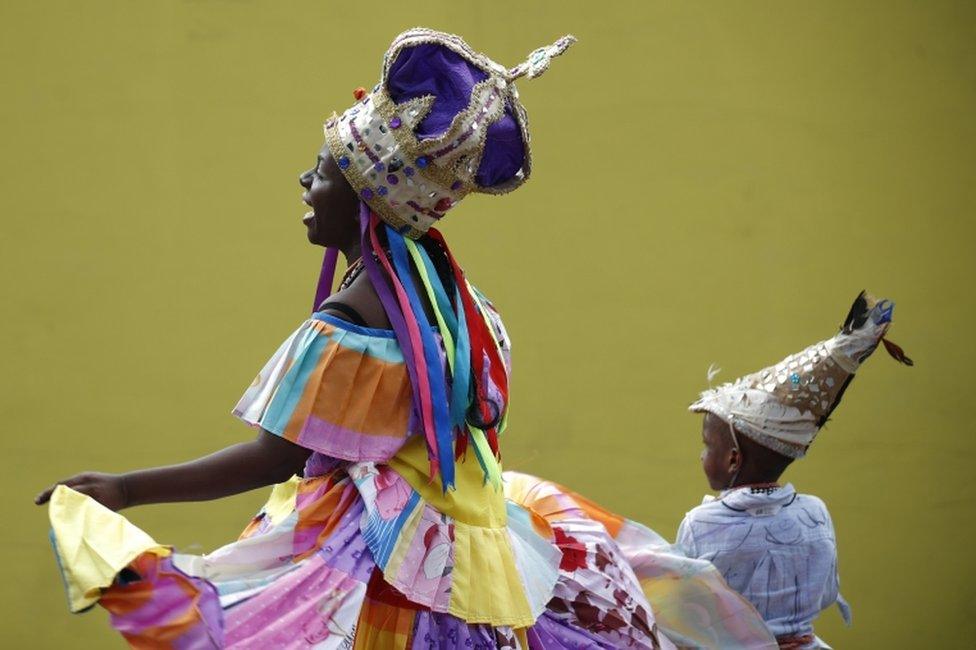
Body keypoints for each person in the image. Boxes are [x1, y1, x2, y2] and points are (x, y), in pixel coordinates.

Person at [35, 27, 693, 649]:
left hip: (382, 570)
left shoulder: (350, 321)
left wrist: (125, 490)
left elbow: (275, 458)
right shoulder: (465, 308)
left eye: (322, 170)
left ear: (364, 198)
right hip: (464, 558)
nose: (305, 183)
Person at [678, 291, 913, 649]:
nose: (702, 455)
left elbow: (684, 612)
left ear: (733, 460)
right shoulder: (815, 513)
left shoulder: (700, 524)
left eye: (708, 446)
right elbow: (825, 593)